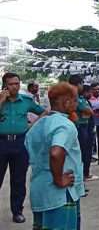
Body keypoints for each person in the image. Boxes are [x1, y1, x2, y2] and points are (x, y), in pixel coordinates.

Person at [24, 82, 84, 229]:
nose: (76, 104)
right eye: (75, 100)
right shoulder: (64, 125)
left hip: (41, 190)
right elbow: (56, 152)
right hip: (61, 194)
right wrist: (58, 180)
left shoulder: (39, 123)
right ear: (66, 102)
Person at [0, 73, 47, 223]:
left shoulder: (26, 100)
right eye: (11, 84)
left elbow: (44, 112)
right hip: (1, 143)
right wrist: (1, 100)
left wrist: (33, 125)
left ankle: (17, 211)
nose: (14, 87)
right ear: (4, 85)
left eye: (17, 83)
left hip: (21, 144)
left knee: (19, 180)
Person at [68, 77, 97, 184]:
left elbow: (89, 112)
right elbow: (88, 110)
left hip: (81, 126)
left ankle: (80, 179)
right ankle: (78, 180)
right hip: (78, 127)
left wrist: (89, 114)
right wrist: (88, 112)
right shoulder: (73, 95)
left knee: (83, 152)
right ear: (80, 84)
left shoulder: (77, 96)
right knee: (80, 153)